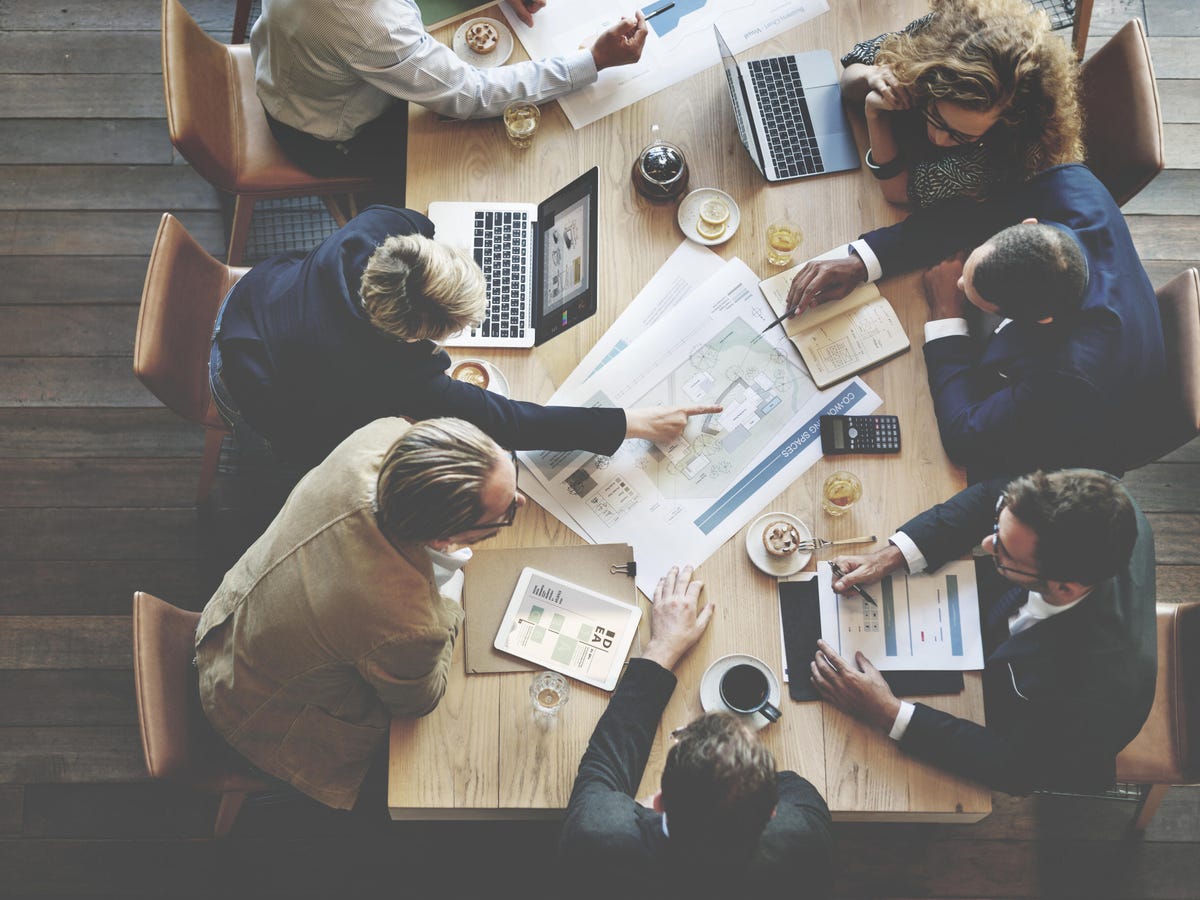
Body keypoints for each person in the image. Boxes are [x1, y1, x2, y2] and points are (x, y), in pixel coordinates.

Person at [210, 204, 718, 470]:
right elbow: (511, 422)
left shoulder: (371, 233)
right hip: (245, 387)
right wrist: (631, 422)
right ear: (411, 339)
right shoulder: (397, 378)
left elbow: (422, 227)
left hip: (253, 303)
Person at [196, 416, 525, 809]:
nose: (520, 500)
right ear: (442, 537)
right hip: (255, 711)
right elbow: (419, 701)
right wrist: (450, 600)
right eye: (506, 513)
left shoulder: (377, 435)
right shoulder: (410, 623)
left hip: (231, 615)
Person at [785, 164, 1166, 481]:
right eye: (970, 272)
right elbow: (973, 215)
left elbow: (966, 437)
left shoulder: (1068, 375)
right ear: (1028, 226)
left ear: (1038, 320)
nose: (960, 282)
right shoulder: (1070, 184)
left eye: (971, 293)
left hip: (1068, 446)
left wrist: (947, 314)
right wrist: (863, 263)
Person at [809, 469, 1156, 796]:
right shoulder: (1095, 493)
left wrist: (889, 713)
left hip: (1025, 713)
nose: (987, 543)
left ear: (1064, 588)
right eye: (997, 527)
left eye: (1003, 554)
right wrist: (890, 556)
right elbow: (990, 495)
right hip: (985, 620)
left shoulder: (1098, 693)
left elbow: (1022, 769)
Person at [559, 565, 834, 896]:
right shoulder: (801, 840)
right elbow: (793, 786)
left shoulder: (599, 835)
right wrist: (735, 748)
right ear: (773, 811)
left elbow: (605, 760)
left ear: (657, 802)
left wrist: (663, 647)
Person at [252, 0, 648, 178]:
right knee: (477, 166)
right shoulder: (368, 23)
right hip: (323, 135)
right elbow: (471, 94)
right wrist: (592, 61)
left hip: (283, 66)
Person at [840, 0, 1083, 208]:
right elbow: (853, 66)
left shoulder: (1010, 151)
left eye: (961, 136)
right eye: (935, 116)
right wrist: (869, 75)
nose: (939, 138)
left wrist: (876, 114)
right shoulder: (946, 38)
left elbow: (899, 191)